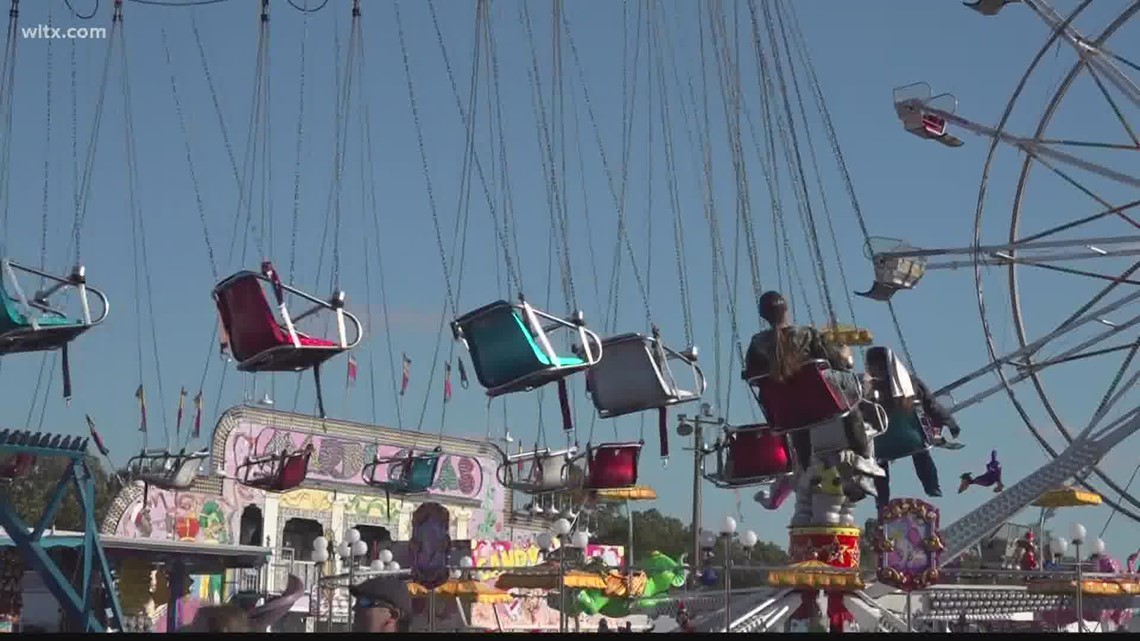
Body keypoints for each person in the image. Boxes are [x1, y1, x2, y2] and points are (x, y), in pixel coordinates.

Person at [744, 291, 883, 480]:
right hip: (821, 403)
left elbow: (751, 374)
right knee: (853, 395)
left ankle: (806, 466)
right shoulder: (807, 334)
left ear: (763, 316)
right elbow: (837, 362)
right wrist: (842, 355)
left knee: (797, 419)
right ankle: (863, 455)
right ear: (787, 310)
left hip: (785, 412)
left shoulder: (756, 344)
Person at [863, 347, 948, 506]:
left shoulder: (867, 388)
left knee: (878, 465)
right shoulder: (910, 383)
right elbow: (932, 406)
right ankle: (932, 486)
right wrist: (948, 422)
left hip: (883, 443)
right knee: (922, 454)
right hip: (912, 439)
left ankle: (881, 500)